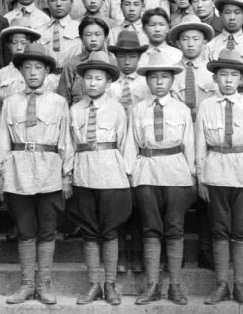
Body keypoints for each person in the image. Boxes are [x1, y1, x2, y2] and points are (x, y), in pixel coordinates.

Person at [0, 44, 72, 305]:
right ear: (20, 71)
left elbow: (65, 141)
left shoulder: (59, 103)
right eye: (27, 67)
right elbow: (3, 140)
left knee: (47, 229)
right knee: (25, 229)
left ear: (47, 71)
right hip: (18, 171)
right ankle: (27, 284)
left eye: (38, 67)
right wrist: (1, 173)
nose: (32, 72)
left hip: (49, 170)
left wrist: (66, 175)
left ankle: (44, 285)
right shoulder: (10, 102)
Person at [196, 49, 243, 306]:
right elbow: (199, 144)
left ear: (241, 79)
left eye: (234, 75)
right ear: (215, 78)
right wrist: (201, 178)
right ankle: (221, 284)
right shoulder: (206, 106)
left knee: (240, 230)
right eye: (223, 75)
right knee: (219, 230)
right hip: (215, 173)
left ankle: (239, 285)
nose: (228, 80)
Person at [124, 53, 195, 306]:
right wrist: (131, 174)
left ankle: (175, 286)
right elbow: (131, 143)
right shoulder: (138, 109)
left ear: (172, 80)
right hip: (146, 171)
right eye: (154, 77)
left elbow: (189, 144)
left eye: (165, 77)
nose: (159, 82)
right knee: (150, 227)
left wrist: (191, 175)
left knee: (174, 228)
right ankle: (152, 285)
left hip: (175, 172)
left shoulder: (181, 109)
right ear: (147, 81)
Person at [66, 52, 132, 306]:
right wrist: (68, 175)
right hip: (84, 175)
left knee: (110, 229)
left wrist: (126, 174)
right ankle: (94, 284)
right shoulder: (75, 110)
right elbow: (70, 145)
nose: (92, 83)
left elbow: (125, 143)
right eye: (88, 78)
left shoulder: (116, 109)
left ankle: (110, 284)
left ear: (108, 82)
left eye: (98, 78)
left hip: (111, 176)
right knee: (90, 232)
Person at [169, 14, 216, 269]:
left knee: (207, 193)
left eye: (196, 38)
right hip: (179, 137)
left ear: (204, 42)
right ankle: (174, 253)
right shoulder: (171, 72)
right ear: (178, 42)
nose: (190, 43)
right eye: (185, 38)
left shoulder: (213, 72)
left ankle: (206, 250)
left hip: (207, 135)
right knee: (178, 193)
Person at [107, 30, 149, 273]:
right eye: (122, 56)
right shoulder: (111, 87)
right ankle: (122, 253)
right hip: (116, 147)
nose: (126, 61)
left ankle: (138, 254)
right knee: (119, 202)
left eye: (132, 56)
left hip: (141, 147)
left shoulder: (145, 84)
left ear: (139, 58)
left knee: (140, 203)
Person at [0, 17, 41, 120]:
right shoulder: (2, 74)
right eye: (14, 43)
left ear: (31, 43)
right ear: (8, 45)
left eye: (23, 43)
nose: (19, 47)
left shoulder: (38, 73)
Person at [58, 17, 114, 105]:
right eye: (88, 35)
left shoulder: (113, 64)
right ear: (81, 38)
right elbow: (63, 98)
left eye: (98, 34)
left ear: (105, 37)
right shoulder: (72, 64)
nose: (93, 39)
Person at [38, 0, 82, 92]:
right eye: (53, 0)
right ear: (48, 3)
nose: (58, 4)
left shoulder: (80, 29)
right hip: (46, 82)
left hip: (73, 80)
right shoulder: (39, 31)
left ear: (71, 2)